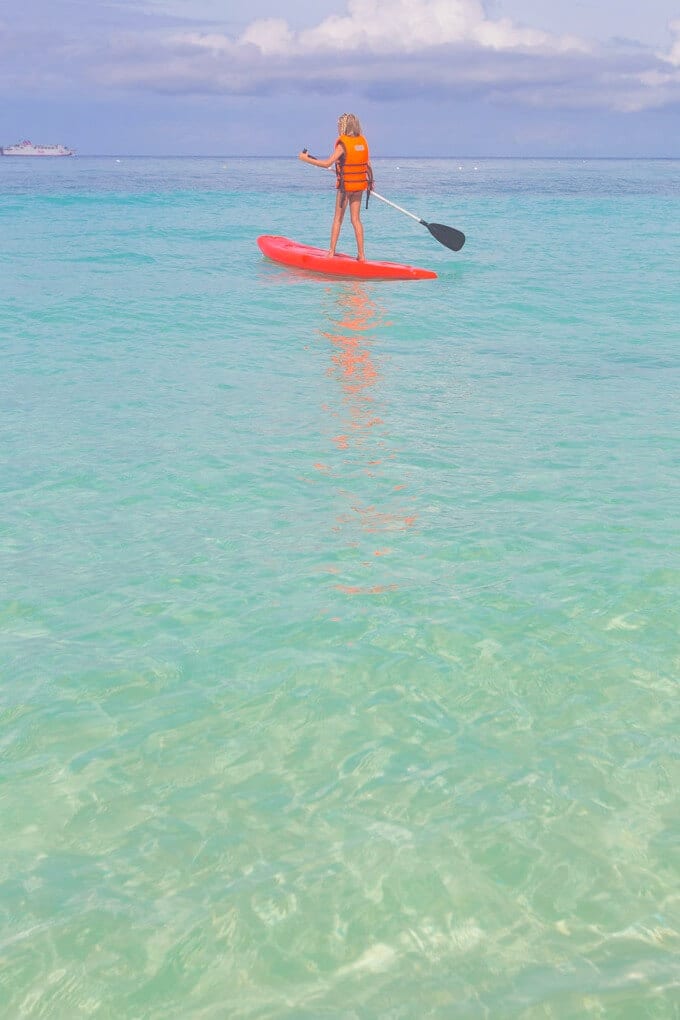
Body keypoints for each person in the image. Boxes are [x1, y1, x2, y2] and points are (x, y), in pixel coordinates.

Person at [299, 113, 373, 261]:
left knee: (338, 219)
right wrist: (371, 184)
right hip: (359, 187)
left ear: (344, 127)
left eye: (339, 126)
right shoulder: (362, 142)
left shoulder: (342, 145)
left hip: (345, 189)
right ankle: (362, 255)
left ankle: (331, 252)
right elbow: (368, 166)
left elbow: (327, 163)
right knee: (356, 220)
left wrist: (306, 159)